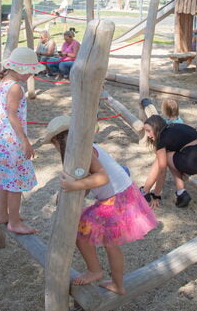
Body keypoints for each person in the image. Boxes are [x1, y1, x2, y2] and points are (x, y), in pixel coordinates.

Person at [45, 116, 157, 295]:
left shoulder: (84, 151)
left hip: (117, 198)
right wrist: (68, 195)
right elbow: (87, 181)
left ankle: (96, 271)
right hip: (120, 194)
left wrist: (74, 186)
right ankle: (117, 284)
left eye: (54, 144)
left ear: (58, 140)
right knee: (109, 243)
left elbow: (101, 177)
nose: (56, 148)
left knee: (83, 228)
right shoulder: (81, 150)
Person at [0, 47, 44, 234]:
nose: (30, 74)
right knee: (15, 183)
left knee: (4, 181)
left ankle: (3, 214)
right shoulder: (16, 88)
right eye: (29, 70)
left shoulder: (3, 82)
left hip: (1, 140)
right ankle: (14, 221)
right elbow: (12, 116)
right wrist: (25, 141)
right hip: (12, 142)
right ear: (18, 67)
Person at [140, 115, 197, 209]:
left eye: (149, 131)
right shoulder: (174, 127)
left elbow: (162, 171)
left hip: (194, 163)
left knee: (164, 158)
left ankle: (145, 191)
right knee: (169, 156)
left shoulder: (162, 139)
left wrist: (156, 195)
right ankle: (181, 193)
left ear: (157, 127)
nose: (148, 135)